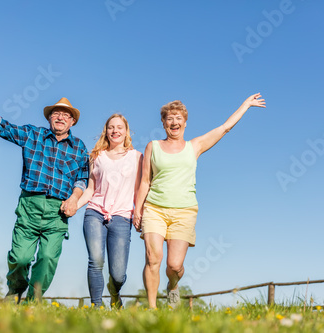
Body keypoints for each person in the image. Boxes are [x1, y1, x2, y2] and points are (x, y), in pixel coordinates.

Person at [133, 94, 266, 309]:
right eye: (169, 118)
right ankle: (152, 309)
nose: (174, 122)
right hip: (154, 208)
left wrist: (245, 105)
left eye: (178, 118)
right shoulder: (153, 146)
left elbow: (224, 128)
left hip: (184, 211)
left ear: (185, 122)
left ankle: (172, 286)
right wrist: (137, 210)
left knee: (174, 266)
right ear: (163, 122)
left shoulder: (194, 146)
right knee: (152, 257)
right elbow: (145, 182)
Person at [0, 80, 89, 302]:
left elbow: (83, 178)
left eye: (66, 115)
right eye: (56, 113)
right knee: (20, 257)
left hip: (59, 212)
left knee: (47, 258)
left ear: (72, 121)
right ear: (49, 118)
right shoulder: (33, 135)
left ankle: (32, 303)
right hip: (30, 207)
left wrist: (75, 199)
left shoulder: (80, 148)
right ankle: (15, 292)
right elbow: (2, 126)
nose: (60, 117)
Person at [77, 114, 143, 308]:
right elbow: (90, 189)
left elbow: (140, 189)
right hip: (95, 212)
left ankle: (115, 292)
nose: (115, 131)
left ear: (126, 131)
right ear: (106, 131)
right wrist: (74, 207)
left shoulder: (137, 157)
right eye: (111, 127)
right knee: (96, 261)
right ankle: (96, 306)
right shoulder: (96, 156)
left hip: (122, 217)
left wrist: (139, 213)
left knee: (118, 273)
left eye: (119, 127)